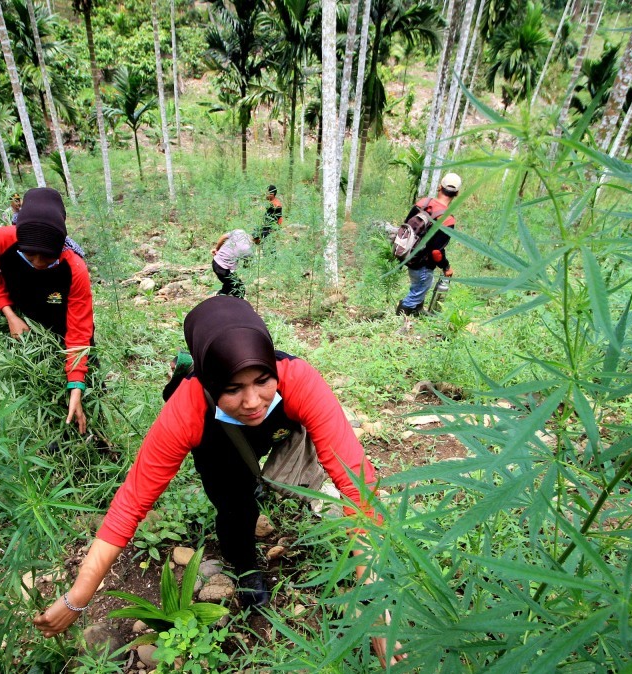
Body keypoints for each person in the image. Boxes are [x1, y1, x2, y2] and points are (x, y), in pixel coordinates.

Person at [33, 296, 400, 664]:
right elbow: (132, 502)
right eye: (233, 388)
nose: (253, 400)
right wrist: (77, 597)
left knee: (280, 467)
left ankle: (261, 477)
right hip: (217, 438)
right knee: (235, 504)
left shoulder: (297, 378)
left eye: (261, 380)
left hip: (279, 427)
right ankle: (246, 569)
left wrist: (381, 615)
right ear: (209, 383)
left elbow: (357, 489)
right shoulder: (187, 408)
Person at [0, 187, 94, 433]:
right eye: (30, 256)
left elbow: (79, 330)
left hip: (68, 336)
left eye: (47, 259)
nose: (39, 264)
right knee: (41, 400)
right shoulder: (1, 241)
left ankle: (93, 444)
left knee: (88, 399)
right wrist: (9, 314)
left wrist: (76, 385)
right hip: (28, 335)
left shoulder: (74, 268)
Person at [396, 173, 462, 316]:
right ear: (456, 193)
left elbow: (406, 226)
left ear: (440, 187)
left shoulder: (423, 203)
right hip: (423, 264)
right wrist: (446, 267)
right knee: (417, 291)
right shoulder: (448, 220)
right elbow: (436, 252)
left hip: (407, 255)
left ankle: (417, 311)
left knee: (419, 287)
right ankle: (400, 319)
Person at [211, 228, 256, 298]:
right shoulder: (249, 250)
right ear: (259, 239)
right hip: (223, 269)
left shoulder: (240, 232)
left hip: (216, 261)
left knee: (229, 285)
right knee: (240, 289)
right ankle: (237, 306)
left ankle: (220, 296)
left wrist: (217, 249)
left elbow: (223, 237)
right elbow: (246, 266)